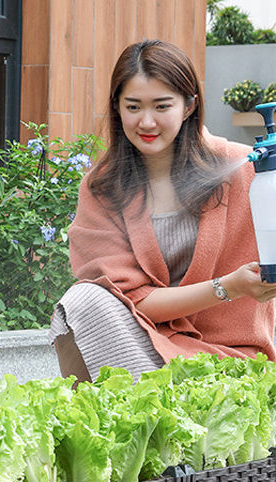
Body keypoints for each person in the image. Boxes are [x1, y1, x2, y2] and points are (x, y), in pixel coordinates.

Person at [50, 39, 276, 383]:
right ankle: (125, 424)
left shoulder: (243, 168)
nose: (147, 122)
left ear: (188, 106)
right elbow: (133, 301)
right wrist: (228, 286)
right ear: (117, 107)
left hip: (232, 357)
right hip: (147, 347)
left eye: (161, 106)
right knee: (80, 302)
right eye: (134, 106)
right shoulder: (104, 188)